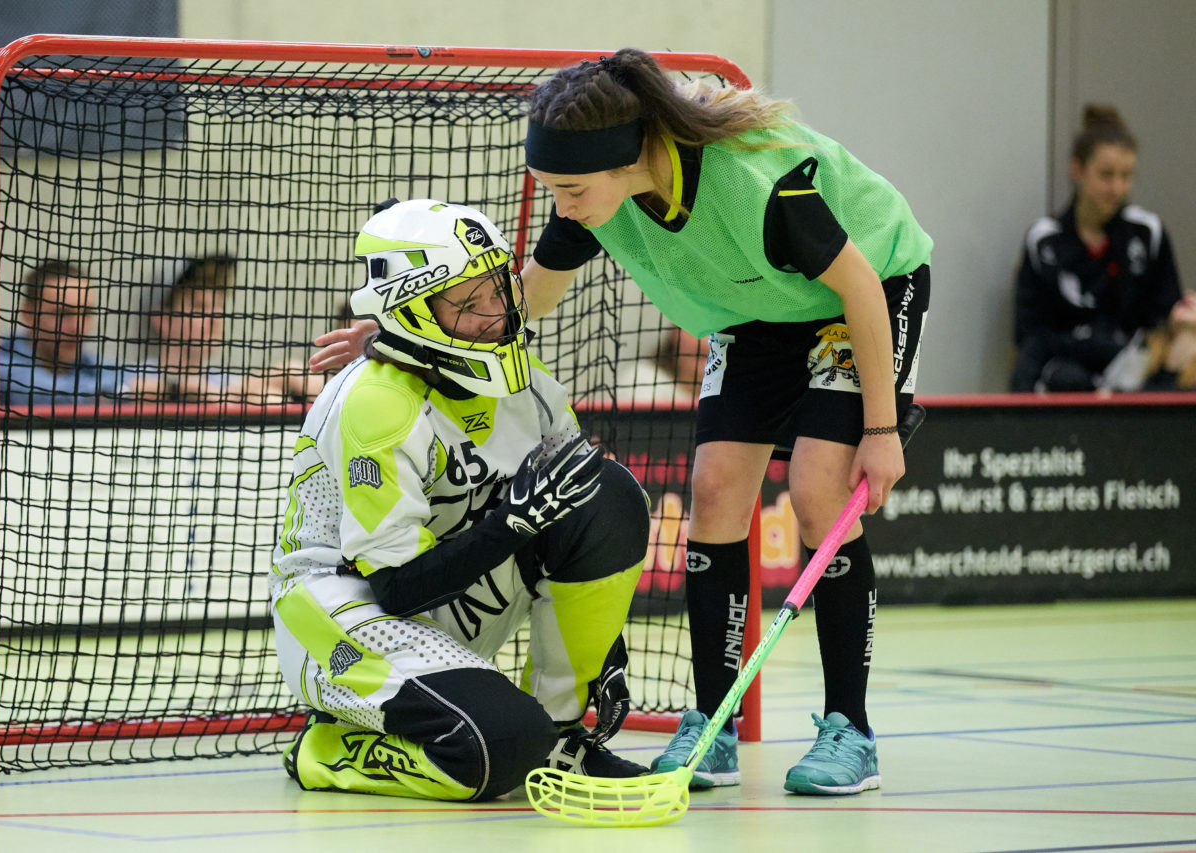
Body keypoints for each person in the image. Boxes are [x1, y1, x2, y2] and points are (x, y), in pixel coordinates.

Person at [311, 49, 931, 797]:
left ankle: (849, 727)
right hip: (757, 312)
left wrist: (882, 428)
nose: (562, 207)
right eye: (553, 191)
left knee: (818, 491)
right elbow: (523, 302)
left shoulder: (758, 187)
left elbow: (861, 285)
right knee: (714, 486)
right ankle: (711, 718)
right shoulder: (593, 198)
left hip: (863, 294)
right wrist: (401, 339)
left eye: (570, 191)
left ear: (628, 157)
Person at [272, 199, 651, 802]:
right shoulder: (376, 405)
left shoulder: (527, 381)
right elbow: (395, 588)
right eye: (469, 304)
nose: (497, 314)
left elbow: (580, 510)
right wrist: (515, 522)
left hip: (451, 582)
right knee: (494, 754)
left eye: (497, 289)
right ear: (413, 311)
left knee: (609, 495)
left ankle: (561, 735)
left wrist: (602, 653)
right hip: (350, 614)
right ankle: (326, 750)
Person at [1010, 105, 1182, 393]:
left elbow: (1165, 322)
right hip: (1062, 380)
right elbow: (1028, 336)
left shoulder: (1147, 233)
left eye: (1126, 176)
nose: (1117, 188)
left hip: (1134, 380)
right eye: (1106, 175)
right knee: (1067, 379)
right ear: (1077, 170)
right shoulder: (1044, 241)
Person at [133, 256, 327, 405]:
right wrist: (189, 391)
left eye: (218, 306)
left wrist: (284, 374)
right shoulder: (124, 376)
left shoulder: (227, 382)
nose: (215, 319)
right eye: (200, 307)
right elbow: (123, 388)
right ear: (163, 320)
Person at [0, 259, 132, 408]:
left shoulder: (85, 364)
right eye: (63, 314)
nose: (78, 328)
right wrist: (127, 390)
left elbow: (137, 375)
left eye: (86, 313)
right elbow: (54, 395)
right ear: (29, 315)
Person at [619, 324, 711, 406]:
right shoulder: (644, 381)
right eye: (696, 328)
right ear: (675, 334)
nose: (705, 343)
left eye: (719, 331)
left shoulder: (721, 403)